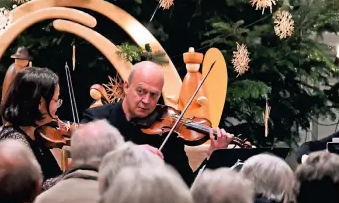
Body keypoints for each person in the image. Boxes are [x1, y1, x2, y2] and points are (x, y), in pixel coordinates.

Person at [81, 61, 234, 185]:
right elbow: (84, 163)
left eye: (154, 95)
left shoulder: (168, 130)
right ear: (126, 87)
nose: (146, 101)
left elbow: (187, 186)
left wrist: (214, 156)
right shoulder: (97, 119)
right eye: (141, 91)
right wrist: (130, 153)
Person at [0, 67, 63, 189]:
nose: (58, 106)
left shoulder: (35, 134)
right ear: (39, 102)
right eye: (55, 100)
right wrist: (74, 175)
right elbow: (33, 189)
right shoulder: (14, 141)